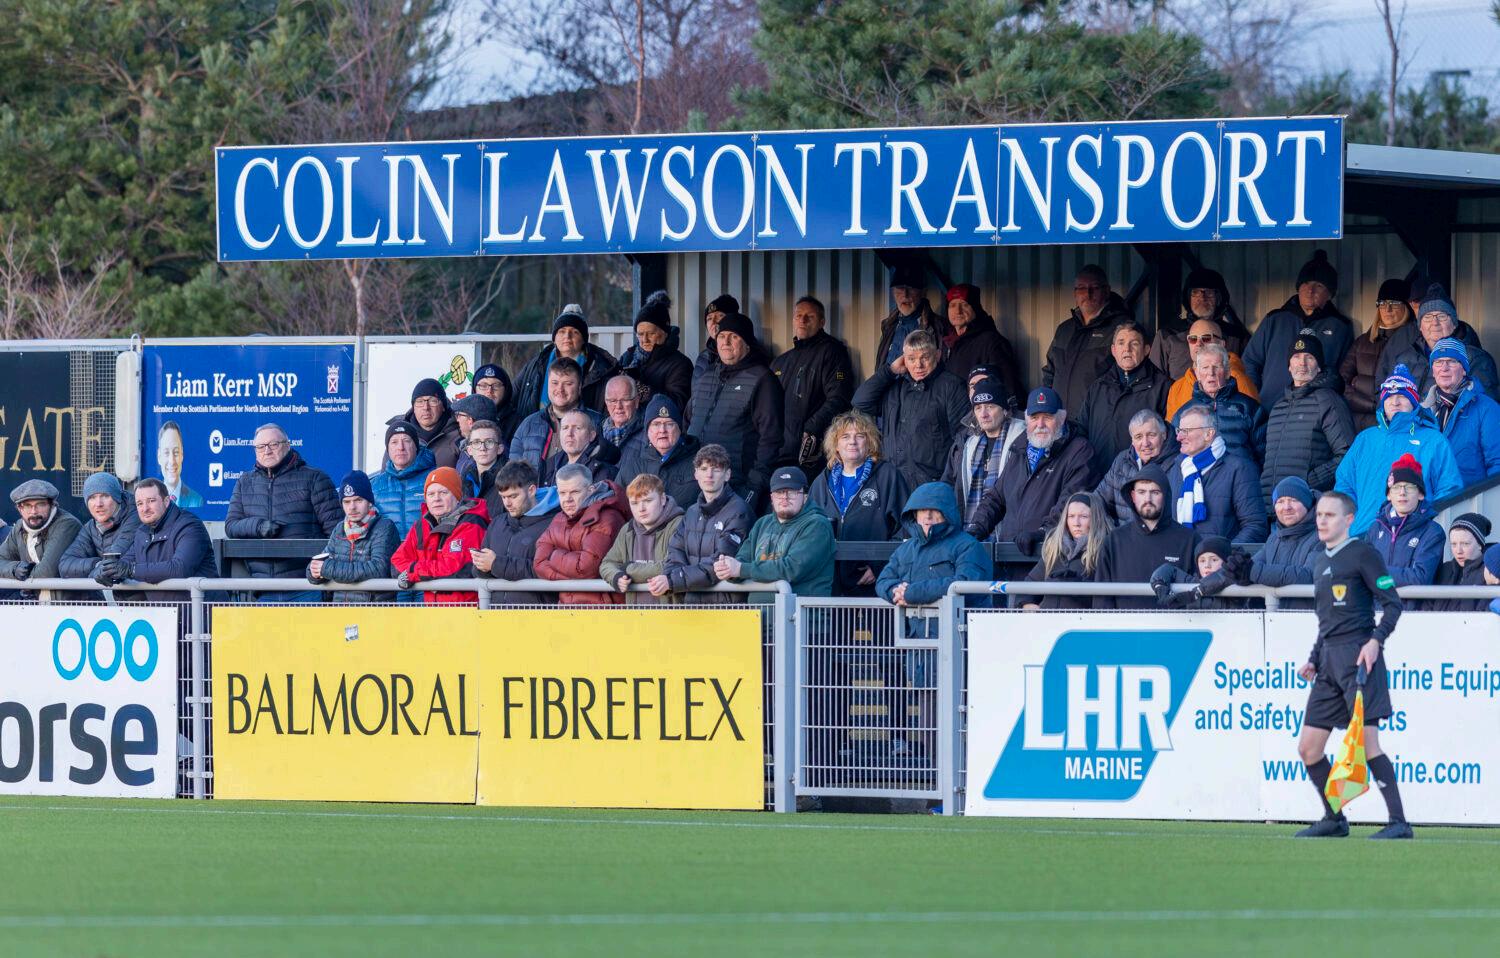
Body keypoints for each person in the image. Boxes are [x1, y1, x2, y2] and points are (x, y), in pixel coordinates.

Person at [1294, 490, 1410, 840]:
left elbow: (1393, 604)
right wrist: (1314, 658)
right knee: (1308, 748)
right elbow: (1325, 620)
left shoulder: (1363, 554)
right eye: (1319, 515)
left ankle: (1399, 823)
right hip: (1328, 663)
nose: (1322, 521)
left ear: (1348, 520)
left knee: (1368, 744)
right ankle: (1334, 819)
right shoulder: (1319, 561)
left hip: (1359, 658)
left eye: (1329, 515)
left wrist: (1376, 641)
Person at [963, 386, 1095, 552]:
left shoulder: (1079, 451)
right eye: (1034, 418)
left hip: (1049, 553)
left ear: (1061, 419)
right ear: (1027, 421)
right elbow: (996, 498)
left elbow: (1071, 503)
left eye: (1047, 417)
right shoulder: (1020, 448)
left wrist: (1042, 533)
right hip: (1009, 553)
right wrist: (976, 527)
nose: (1040, 424)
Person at [1335, 364, 1463, 534]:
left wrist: (1424, 525)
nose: (1394, 402)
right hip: (1363, 534)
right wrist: (1353, 521)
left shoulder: (1433, 440)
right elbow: (1344, 484)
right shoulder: (1365, 439)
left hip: (1412, 536)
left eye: (1402, 396)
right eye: (1389, 397)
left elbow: (1449, 489)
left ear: (1413, 402)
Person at [687, 312, 784, 508]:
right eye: (722, 336)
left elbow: (771, 438)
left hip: (737, 484)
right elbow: (687, 421)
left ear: (747, 343)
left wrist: (754, 486)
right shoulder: (705, 376)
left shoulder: (763, 379)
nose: (726, 342)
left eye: (734, 336)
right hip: (697, 481)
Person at [223, 424, 341, 585]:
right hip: (260, 585)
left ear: (287, 445)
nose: (267, 451)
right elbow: (231, 526)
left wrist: (321, 572)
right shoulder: (244, 482)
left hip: (306, 585)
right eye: (260, 447)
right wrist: (259, 526)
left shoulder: (315, 479)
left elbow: (337, 533)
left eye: (273, 444)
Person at [852, 328, 968, 490]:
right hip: (893, 483)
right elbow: (860, 401)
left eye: (925, 357)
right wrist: (890, 371)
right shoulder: (894, 387)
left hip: (932, 486)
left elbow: (963, 439)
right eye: (911, 359)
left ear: (937, 355)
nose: (918, 365)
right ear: (903, 360)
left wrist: (947, 483)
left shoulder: (952, 386)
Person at [809, 410, 910, 597]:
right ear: (836, 445)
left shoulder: (887, 476)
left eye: (860, 436)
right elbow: (808, 530)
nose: (852, 442)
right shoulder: (822, 481)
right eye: (845, 437)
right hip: (830, 583)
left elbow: (905, 528)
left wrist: (881, 567)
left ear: (869, 442)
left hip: (874, 583)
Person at [1244, 249, 1354, 411]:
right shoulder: (1274, 320)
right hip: (1269, 411)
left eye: (1319, 286)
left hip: (1315, 413)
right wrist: (1255, 398)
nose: (1310, 290)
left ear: (1330, 294)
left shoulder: (1340, 327)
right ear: (1298, 287)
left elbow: (1344, 375)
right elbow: (1250, 361)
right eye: (1306, 283)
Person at [1260, 330, 1356, 504]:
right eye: (1296, 357)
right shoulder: (1278, 407)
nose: (1302, 363)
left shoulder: (1328, 399)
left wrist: (1308, 482)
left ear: (1319, 366)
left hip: (1310, 504)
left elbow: (1348, 453)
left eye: (1309, 357)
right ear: (1289, 365)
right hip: (1274, 507)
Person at [715, 466, 834, 600]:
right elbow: (742, 560)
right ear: (772, 497)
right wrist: (728, 570)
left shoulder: (817, 525)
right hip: (759, 612)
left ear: (805, 496)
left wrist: (741, 569)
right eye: (779, 492)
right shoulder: (762, 524)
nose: (785, 497)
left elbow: (792, 568)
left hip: (801, 611)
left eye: (792, 492)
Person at [771, 295, 856, 477]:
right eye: (798, 315)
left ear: (822, 322)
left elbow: (839, 398)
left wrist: (810, 430)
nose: (803, 320)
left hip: (810, 456)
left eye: (810, 316)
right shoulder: (781, 361)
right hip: (778, 453)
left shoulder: (832, 351)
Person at [1093, 464, 1198, 609]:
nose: (1148, 499)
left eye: (1155, 492)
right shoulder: (1114, 540)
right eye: (1141, 492)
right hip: (1124, 623)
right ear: (1133, 496)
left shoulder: (1190, 540)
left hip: (1176, 623)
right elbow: (1102, 600)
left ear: (1166, 495)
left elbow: (1200, 597)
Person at [1076, 320, 1171, 476]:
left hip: (1140, 481)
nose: (1127, 349)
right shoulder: (1098, 387)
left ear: (1146, 350)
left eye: (1134, 343)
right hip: (1098, 480)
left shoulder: (1163, 387)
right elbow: (1081, 431)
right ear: (1114, 350)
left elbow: (1169, 442)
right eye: (1121, 343)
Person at [663, 444, 753, 605]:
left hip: (727, 608)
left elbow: (720, 562)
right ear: (696, 474)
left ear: (727, 475)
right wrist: (670, 577)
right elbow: (675, 553)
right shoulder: (691, 512)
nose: (709, 475)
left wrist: (673, 580)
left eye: (716, 469)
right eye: (704, 469)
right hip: (692, 606)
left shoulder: (739, 511)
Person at [102, 479, 217, 602]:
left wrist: (131, 570)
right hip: (167, 612)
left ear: (166, 501)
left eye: (151, 501)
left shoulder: (190, 526)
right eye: (139, 503)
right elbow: (126, 562)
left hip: (205, 611)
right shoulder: (142, 532)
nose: (145, 508)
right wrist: (108, 572)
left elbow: (179, 568)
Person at [1378, 284, 1500, 399]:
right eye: (1427, 317)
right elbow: (1387, 401)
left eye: (1442, 316)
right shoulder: (1403, 359)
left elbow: (1485, 407)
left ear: (1454, 324)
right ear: (1420, 326)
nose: (1434, 323)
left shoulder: (1476, 360)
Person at [1167, 404, 1267, 544]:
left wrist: (1224, 554)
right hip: (1181, 555)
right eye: (1179, 430)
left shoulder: (1239, 469)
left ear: (1209, 434)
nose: (1179, 437)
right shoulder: (1176, 470)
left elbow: (1255, 526)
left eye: (1186, 431)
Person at [1040, 264, 1133, 414]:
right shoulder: (1064, 329)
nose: (1088, 294)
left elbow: (1129, 379)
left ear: (1106, 291)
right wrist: (1046, 408)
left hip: (1099, 420)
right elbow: (1050, 373)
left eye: (1094, 288)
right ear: (1075, 294)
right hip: (1060, 419)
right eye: (1082, 288)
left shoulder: (1122, 329)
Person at [390, 466, 490, 605]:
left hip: (467, 610)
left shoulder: (471, 523)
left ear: (457, 496)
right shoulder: (421, 525)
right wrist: (419, 572)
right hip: (433, 611)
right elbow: (396, 563)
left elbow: (454, 568)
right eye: (431, 494)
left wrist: (413, 571)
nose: (436, 499)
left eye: (443, 492)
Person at [877, 482, 989, 606]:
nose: (928, 516)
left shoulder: (968, 546)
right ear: (915, 514)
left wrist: (912, 594)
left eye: (935, 510)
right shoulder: (905, 549)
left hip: (958, 618)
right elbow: (883, 581)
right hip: (910, 619)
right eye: (922, 510)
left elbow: (966, 584)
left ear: (947, 513)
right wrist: (896, 592)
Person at [534, 464, 629, 605]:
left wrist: (553, 555)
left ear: (591, 490)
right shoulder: (559, 519)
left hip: (605, 609)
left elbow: (585, 568)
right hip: (568, 608)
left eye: (575, 492)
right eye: (562, 493)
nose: (567, 499)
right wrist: (573, 577)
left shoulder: (608, 517)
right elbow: (539, 564)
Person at [471, 460, 559, 605]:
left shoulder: (555, 523)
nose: (507, 503)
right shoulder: (497, 523)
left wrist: (496, 564)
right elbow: (479, 572)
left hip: (537, 614)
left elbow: (548, 570)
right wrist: (481, 566)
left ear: (531, 490)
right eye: (503, 497)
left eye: (513, 496)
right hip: (496, 614)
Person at [941, 377, 1025, 529]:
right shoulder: (968, 445)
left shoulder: (1022, 440)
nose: (983, 414)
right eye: (978, 408)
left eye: (990, 406)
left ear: (1005, 410)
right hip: (974, 530)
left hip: (1010, 532)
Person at [306, 471, 400, 603]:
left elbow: (378, 568)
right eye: (346, 502)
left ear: (369, 502)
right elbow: (320, 563)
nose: (352, 507)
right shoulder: (340, 528)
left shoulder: (384, 527)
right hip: (341, 610)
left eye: (358, 500)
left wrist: (327, 569)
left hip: (373, 611)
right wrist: (314, 572)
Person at [513, 303, 619, 414]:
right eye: (562, 331)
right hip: (538, 424)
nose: (567, 336)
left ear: (583, 339)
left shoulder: (601, 368)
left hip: (585, 424)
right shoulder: (537, 364)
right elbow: (513, 395)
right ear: (554, 338)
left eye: (575, 332)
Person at [1422, 337, 1500, 486]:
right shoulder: (1421, 411)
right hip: (1430, 498)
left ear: (1464, 369)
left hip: (1470, 497)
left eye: (1452, 361)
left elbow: (1497, 463)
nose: (1444, 368)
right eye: (1438, 362)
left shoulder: (1487, 408)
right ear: (1433, 371)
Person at [1151, 267, 1252, 379]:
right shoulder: (1167, 336)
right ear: (1188, 298)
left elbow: (1250, 375)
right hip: (1179, 390)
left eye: (1209, 292)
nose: (1202, 297)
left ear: (1219, 297)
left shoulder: (1238, 337)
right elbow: (1154, 380)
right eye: (1195, 292)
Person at [601, 474, 686, 606]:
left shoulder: (680, 524)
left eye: (648, 501)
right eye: (634, 503)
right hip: (636, 615)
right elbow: (607, 563)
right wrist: (616, 576)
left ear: (662, 499)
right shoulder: (627, 529)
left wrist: (628, 569)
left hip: (672, 614)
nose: (641, 509)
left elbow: (671, 566)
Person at [1170, 344, 1265, 462]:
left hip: (1241, 472)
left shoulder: (1249, 407)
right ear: (1197, 373)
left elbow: (1264, 454)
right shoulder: (1184, 412)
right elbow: (1174, 455)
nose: (1211, 372)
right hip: (1200, 473)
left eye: (1216, 367)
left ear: (1227, 372)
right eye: (1205, 367)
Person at [1015, 492, 1110, 610]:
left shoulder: (1105, 552)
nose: (1076, 523)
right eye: (1071, 516)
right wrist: (1026, 604)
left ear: (1096, 519)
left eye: (1084, 516)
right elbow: (1029, 585)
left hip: (1082, 621)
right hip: (1048, 620)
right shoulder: (1054, 549)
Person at [1341, 279, 1414, 431]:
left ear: (1406, 307)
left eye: (1394, 303)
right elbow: (1342, 383)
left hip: (1396, 424)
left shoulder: (1414, 343)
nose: (1387, 309)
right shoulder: (1362, 342)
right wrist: (1371, 405)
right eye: (1382, 303)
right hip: (1357, 424)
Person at [1363, 454, 1443, 586]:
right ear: (1389, 495)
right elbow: (1362, 572)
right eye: (1396, 487)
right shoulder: (1375, 528)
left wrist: (1379, 575)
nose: (1402, 492)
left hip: (1412, 601)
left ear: (1421, 494)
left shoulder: (1433, 532)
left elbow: (1420, 578)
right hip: (1378, 600)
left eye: (1409, 487)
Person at [509, 358, 602, 469]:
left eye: (568, 384)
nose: (560, 389)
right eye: (555, 383)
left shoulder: (598, 423)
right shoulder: (528, 424)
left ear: (579, 386)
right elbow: (513, 473)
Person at [0, 479, 82, 600]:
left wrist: (24, 576)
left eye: (40, 504)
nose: (34, 511)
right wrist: (15, 569)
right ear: (19, 508)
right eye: (27, 506)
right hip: (40, 605)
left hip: (76, 606)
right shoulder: (19, 526)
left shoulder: (67, 524)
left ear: (52, 505)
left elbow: (46, 572)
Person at [1164, 318, 1261, 419]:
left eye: (1206, 338)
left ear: (1222, 344)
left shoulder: (1239, 380)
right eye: (1193, 339)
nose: (1198, 343)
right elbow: (1171, 427)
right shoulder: (1176, 388)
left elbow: (1254, 422)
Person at [615, 394, 701, 508]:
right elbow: (615, 505)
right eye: (656, 424)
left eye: (669, 424)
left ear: (679, 429)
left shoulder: (699, 464)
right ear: (647, 431)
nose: (662, 430)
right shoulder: (632, 466)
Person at [941, 284, 1021, 406]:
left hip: (979, 414)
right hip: (953, 413)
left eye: (964, 304)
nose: (957, 311)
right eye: (952, 305)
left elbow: (1008, 388)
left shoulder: (992, 342)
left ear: (975, 308)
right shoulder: (948, 341)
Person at [1095, 410, 1177, 525]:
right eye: (1138, 437)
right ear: (1132, 441)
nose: (1145, 443)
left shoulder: (1178, 463)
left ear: (1164, 435)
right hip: (1122, 534)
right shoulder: (1122, 460)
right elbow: (1098, 501)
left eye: (1151, 435)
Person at [1247, 477, 1321, 602]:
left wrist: (1252, 572)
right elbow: (1247, 567)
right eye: (1280, 501)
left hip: (1310, 614)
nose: (1286, 507)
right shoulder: (1273, 539)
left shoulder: (1322, 536)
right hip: (1273, 613)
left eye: (1293, 500)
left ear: (1307, 504)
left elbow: (1308, 576)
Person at [59, 472, 142, 583]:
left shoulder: (135, 516)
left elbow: (113, 562)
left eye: (105, 496)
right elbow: (65, 566)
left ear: (117, 498)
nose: (98, 504)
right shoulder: (90, 527)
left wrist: (98, 570)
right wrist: (97, 565)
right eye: (92, 497)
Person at [618, 290, 693, 409]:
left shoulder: (681, 364)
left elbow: (679, 404)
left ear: (665, 333)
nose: (645, 340)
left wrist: (644, 391)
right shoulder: (628, 357)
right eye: (640, 334)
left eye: (651, 333)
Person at [876, 263, 950, 368]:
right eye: (900, 288)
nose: (905, 294)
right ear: (893, 292)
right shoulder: (888, 325)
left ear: (923, 292)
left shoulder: (939, 327)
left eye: (911, 288)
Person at [371, 422, 437, 538]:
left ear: (416, 446)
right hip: (388, 549)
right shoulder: (374, 486)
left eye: (406, 441)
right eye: (394, 442)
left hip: (426, 548)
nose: (400, 447)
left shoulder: (434, 479)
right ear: (388, 449)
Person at [387, 379, 462, 469]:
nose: (426, 407)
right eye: (420, 401)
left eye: (433, 401)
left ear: (443, 406)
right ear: (413, 407)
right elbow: (387, 473)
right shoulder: (398, 435)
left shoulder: (460, 434)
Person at [1149, 535, 1236, 609]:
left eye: (1214, 560)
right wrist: (1159, 585)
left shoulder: (1236, 581)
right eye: (1202, 561)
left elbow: (1224, 576)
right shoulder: (1192, 582)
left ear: (1227, 562)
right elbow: (1168, 569)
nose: (1207, 565)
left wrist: (1196, 592)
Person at [538, 410, 619, 486]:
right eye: (565, 428)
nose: (569, 434)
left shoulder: (604, 471)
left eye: (577, 428)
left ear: (591, 436)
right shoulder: (550, 465)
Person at [1430, 513, 1490, 612]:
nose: (1458, 551)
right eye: (1453, 544)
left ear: (1480, 544)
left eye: (1465, 544)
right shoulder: (1444, 571)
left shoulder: (1490, 572)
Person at [459, 419, 506, 518]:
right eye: (476, 442)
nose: (483, 448)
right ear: (469, 450)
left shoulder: (510, 479)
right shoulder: (464, 478)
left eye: (489, 442)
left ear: (500, 449)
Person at [155, 421, 203, 508]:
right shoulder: (152, 500)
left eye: (176, 452)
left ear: (182, 454)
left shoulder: (196, 501)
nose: (172, 461)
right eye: (166, 453)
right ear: (159, 457)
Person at [472, 363, 521, 443]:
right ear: (475, 389)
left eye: (496, 385)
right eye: (483, 386)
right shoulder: (465, 418)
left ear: (506, 390)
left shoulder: (518, 422)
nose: (489, 391)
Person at [599, 374, 646, 457]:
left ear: (636, 401)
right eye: (613, 401)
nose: (618, 406)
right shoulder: (596, 432)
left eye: (625, 400)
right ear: (606, 403)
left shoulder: (650, 432)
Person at [695, 293, 740, 378]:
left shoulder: (742, 353)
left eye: (720, 316)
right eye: (709, 318)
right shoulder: (703, 357)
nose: (713, 322)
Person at [450, 393, 499, 471]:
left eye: (459, 415)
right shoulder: (466, 447)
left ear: (470, 420)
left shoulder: (483, 456)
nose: (457, 420)